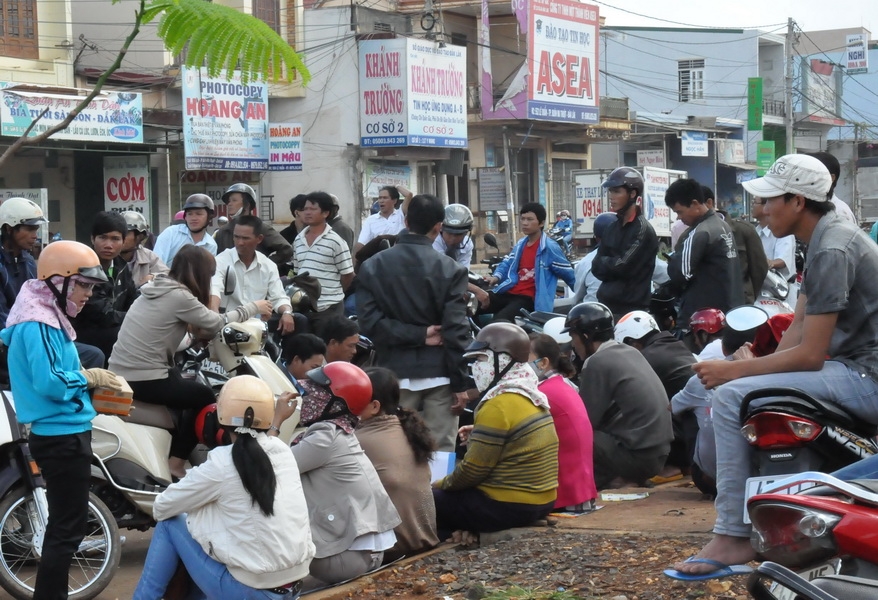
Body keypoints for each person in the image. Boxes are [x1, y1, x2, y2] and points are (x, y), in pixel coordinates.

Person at [670, 153, 878, 578]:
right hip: (854, 369)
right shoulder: (823, 237)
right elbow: (798, 327)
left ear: (799, 202)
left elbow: (809, 355)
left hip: (866, 376)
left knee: (728, 398)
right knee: (745, 389)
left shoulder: (833, 246)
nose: (761, 212)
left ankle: (733, 535)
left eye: (768, 201)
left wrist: (733, 372)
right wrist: (760, 366)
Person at [1, 240, 121, 599]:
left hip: (65, 432)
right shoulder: (38, 324)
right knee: (65, 533)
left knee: (64, 530)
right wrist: (90, 377)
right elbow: (51, 382)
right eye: (83, 284)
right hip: (61, 436)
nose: (87, 293)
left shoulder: (46, 314)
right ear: (59, 280)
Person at [133, 376, 315, 599]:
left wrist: (200, 506)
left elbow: (162, 507)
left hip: (249, 592)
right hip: (292, 587)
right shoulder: (282, 450)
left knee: (170, 524)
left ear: (219, 416)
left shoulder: (220, 463)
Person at [109, 245, 271, 479]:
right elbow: (216, 322)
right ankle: (177, 463)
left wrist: (195, 339)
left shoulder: (159, 286)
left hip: (126, 370)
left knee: (184, 381)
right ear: (201, 274)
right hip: (143, 377)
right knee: (203, 395)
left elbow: (178, 329)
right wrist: (254, 307)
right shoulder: (179, 296)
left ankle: (176, 449)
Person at [356, 194, 471, 452]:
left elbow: (369, 324)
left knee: (395, 449)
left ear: (406, 221)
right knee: (440, 451)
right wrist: (461, 383)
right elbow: (455, 330)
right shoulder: (451, 269)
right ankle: (434, 494)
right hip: (440, 372)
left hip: (393, 374)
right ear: (439, 227)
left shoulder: (373, 266)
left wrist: (418, 334)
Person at [433, 323, 559, 541]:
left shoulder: (497, 404)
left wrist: (438, 483)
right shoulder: (529, 392)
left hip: (509, 505)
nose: (475, 367)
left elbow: (472, 471)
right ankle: (468, 532)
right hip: (542, 501)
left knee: (427, 501)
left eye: (481, 359)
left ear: (503, 360)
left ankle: (458, 537)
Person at [292, 362, 401, 589]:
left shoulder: (324, 437)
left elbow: (271, 467)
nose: (307, 398)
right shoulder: (343, 430)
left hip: (345, 559)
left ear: (335, 403)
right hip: (368, 551)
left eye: (314, 394)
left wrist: (273, 422)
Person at [563, 302, 673, 489]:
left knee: (572, 434)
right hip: (659, 455)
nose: (573, 344)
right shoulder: (629, 352)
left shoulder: (598, 361)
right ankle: (621, 479)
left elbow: (585, 422)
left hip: (638, 459)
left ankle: (611, 481)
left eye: (573, 336)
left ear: (586, 335)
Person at [357, 367, 439, 562]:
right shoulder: (407, 428)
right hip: (426, 541)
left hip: (394, 551)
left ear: (374, 406)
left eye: (352, 399)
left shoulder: (359, 440)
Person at [615, 310, 697, 483]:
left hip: (683, 441)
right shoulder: (677, 345)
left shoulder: (647, 358)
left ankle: (667, 466)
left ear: (633, 342)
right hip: (695, 435)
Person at [528, 333, 597, 512]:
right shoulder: (560, 385)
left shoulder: (541, 394)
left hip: (564, 497)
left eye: (523, 358)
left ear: (543, 363)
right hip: (580, 494)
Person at [664, 178, 744, 326]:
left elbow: (682, 273)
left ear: (694, 204)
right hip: (728, 311)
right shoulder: (722, 225)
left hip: (703, 319)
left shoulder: (700, 232)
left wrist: (672, 262)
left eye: (679, 212)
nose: (679, 218)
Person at [482, 202, 575, 321]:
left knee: (499, 323)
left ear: (541, 223)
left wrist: (585, 296)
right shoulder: (521, 244)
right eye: (523, 219)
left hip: (528, 299)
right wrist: (495, 277)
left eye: (530, 219)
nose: (525, 223)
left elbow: (569, 275)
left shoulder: (549, 247)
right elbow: (507, 263)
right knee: (472, 302)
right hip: (509, 291)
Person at [591, 167, 659, 319]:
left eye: (617, 192)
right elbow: (595, 266)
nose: (611, 197)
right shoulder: (611, 227)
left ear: (633, 194)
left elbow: (622, 266)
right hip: (606, 306)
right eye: (610, 192)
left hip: (631, 311)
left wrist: (606, 262)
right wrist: (609, 263)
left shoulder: (642, 229)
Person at [209, 215, 295, 335]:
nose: (240, 242)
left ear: (259, 239)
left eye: (245, 238)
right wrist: (214, 316)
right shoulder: (221, 261)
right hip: (227, 324)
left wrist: (286, 313)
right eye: (236, 237)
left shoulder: (268, 265)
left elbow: (278, 298)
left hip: (257, 325)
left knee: (298, 320)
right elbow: (214, 290)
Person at [71, 211, 138, 363]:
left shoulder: (122, 267)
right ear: (92, 239)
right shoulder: (84, 268)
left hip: (114, 329)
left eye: (115, 239)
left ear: (123, 241)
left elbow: (134, 301)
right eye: (103, 237)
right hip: (82, 334)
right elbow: (104, 315)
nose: (108, 245)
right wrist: (137, 317)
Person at [293, 192, 355, 332]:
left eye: (313, 209)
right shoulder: (298, 240)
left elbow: (348, 275)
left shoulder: (336, 241)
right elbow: (298, 273)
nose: (307, 212)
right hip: (305, 308)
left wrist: (335, 294)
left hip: (329, 308)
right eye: (305, 209)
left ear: (325, 213)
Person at [701, 186, 767, 305]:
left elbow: (759, 269)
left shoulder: (744, 230)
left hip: (739, 304)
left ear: (709, 203)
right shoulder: (689, 234)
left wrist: (746, 294)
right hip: (706, 307)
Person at [215, 183, 293, 267]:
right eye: (228, 201)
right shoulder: (223, 232)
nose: (229, 204)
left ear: (247, 204)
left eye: (234, 200)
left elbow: (286, 250)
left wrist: (264, 265)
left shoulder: (261, 228)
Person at [0, 197, 45, 327]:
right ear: (9, 228)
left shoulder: (29, 261)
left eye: (36, 229)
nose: (35, 235)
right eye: (30, 229)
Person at [153, 194, 218, 266]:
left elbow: (207, 273)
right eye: (190, 214)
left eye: (199, 214)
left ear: (209, 217)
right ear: (185, 217)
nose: (193, 218)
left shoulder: (211, 245)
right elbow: (156, 264)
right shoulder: (171, 233)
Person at [573, 212, 615, 304]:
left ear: (596, 237)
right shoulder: (640, 254)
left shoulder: (586, 262)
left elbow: (578, 297)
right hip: (635, 314)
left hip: (595, 314)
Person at [354, 186, 407, 259]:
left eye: (385, 198)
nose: (381, 201)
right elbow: (361, 243)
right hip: (379, 261)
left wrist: (396, 186)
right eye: (380, 198)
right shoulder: (370, 220)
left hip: (400, 259)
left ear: (394, 201)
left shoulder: (400, 215)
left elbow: (409, 195)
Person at [119, 211, 169, 288]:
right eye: (117, 233)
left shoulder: (148, 256)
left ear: (139, 236)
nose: (120, 238)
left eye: (125, 233)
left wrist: (152, 277)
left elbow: (169, 276)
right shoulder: (107, 255)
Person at [807, 151, 857, 225]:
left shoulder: (839, 213)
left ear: (831, 178)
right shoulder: (811, 208)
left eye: (812, 173)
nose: (807, 178)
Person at [432, 204, 474, 269]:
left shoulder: (467, 244)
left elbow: (464, 269)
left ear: (465, 233)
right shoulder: (433, 241)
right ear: (441, 229)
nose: (453, 238)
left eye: (458, 234)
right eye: (449, 233)